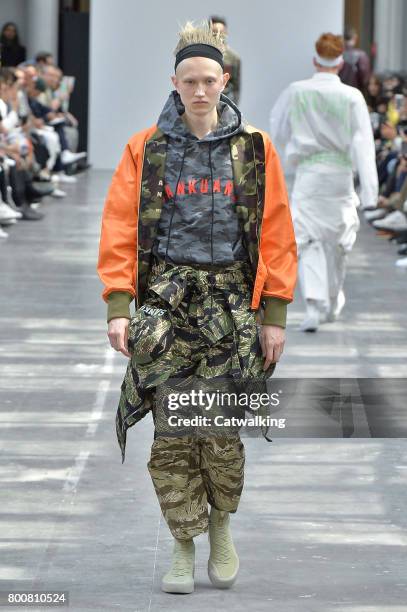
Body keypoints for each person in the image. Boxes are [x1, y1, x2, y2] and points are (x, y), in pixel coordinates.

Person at [97, 21, 297, 594]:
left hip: (233, 308)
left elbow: (278, 231)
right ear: (175, 83)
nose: (201, 90)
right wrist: (118, 304)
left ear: (225, 80)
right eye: (191, 81)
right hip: (166, 310)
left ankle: (222, 527)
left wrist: (274, 315)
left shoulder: (254, 149)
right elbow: (120, 226)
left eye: (210, 79)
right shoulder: (147, 149)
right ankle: (183, 545)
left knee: (221, 430)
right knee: (173, 432)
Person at [270, 32, 378, 332]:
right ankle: (331, 298)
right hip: (340, 175)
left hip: (309, 174)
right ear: (341, 61)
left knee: (308, 239)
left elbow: (277, 125)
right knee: (339, 240)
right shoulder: (351, 96)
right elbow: (364, 143)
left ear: (315, 60)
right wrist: (370, 193)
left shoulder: (296, 91)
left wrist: (290, 150)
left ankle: (317, 304)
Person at [209, 16, 241, 105]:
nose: (218, 35)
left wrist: (234, 107)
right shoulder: (202, 57)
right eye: (215, 32)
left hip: (225, 101)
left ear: (226, 32)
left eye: (221, 32)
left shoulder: (233, 58)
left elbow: (236, 88)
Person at [338, 25, 371, 92]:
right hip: (354, 91)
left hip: (338, 91)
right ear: (355, 37)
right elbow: (364, 79)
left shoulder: (336, 54)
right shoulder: (361, 55)